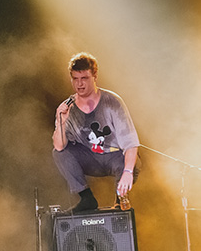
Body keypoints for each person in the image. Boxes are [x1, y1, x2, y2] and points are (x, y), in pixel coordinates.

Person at [53, 52, 140, 212]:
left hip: (113, 156)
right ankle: (86, 198)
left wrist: (127, 172)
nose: (79, 84)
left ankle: (120, 201)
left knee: (133, 162)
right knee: (59, 153)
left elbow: (131, 143)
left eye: (84, 78)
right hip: (90, 158)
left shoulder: (112, 102)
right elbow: (59, 147)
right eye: (75, 79)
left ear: (95, 77)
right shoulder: (68, 107)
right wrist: (61, 121)